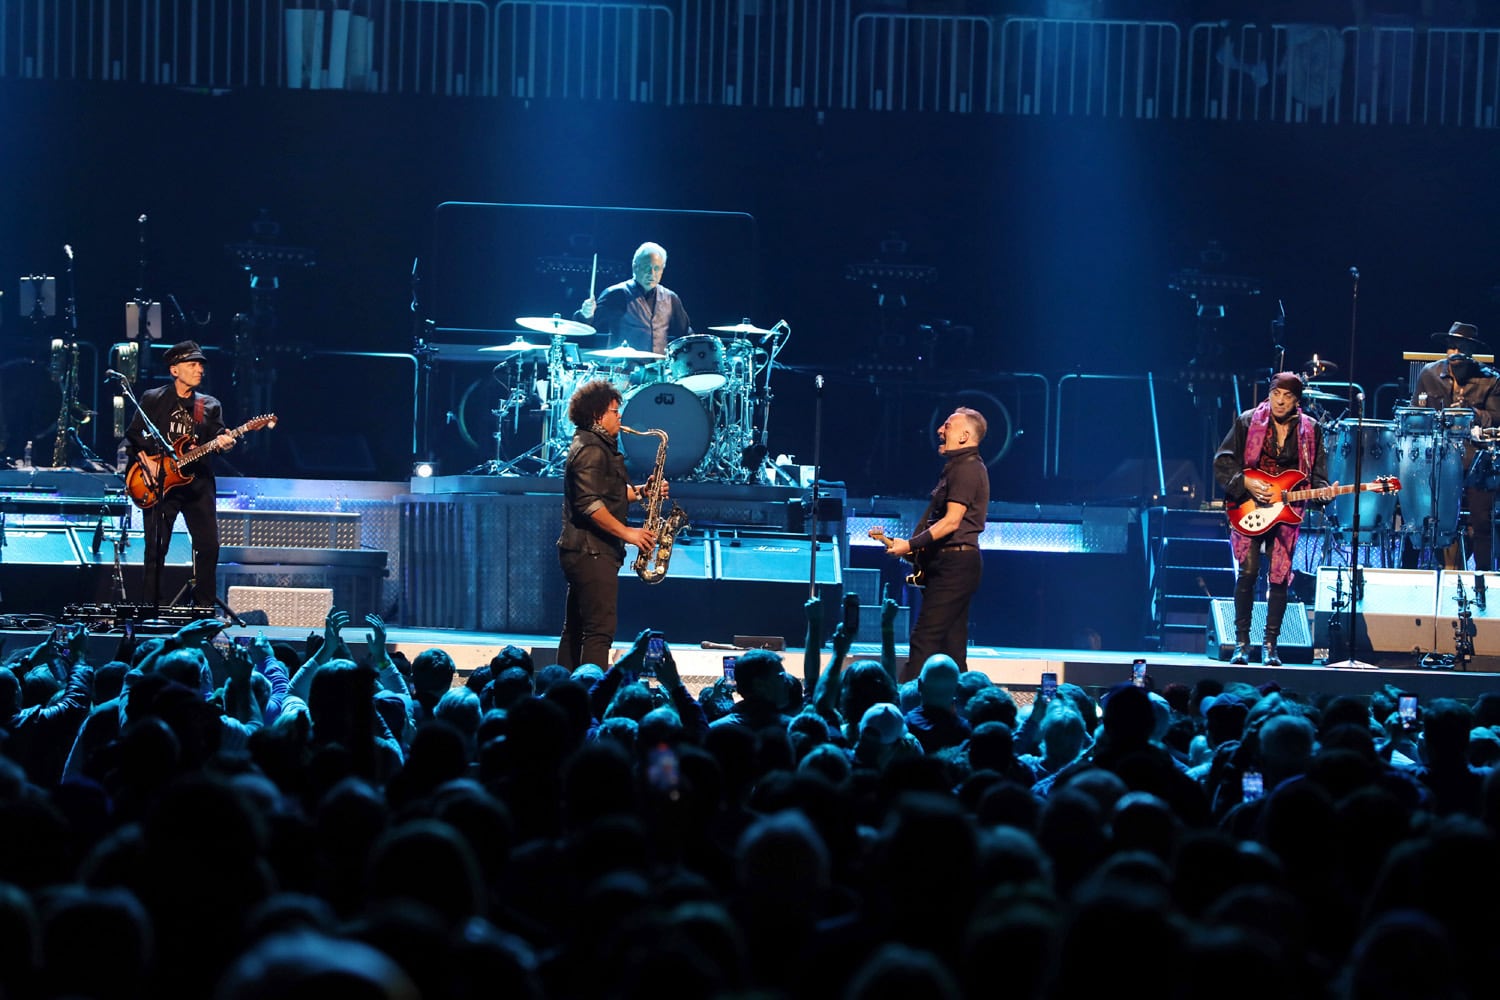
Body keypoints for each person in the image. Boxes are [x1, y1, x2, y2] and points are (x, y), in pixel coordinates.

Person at [1214, 373, 1337, 666]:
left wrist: (1325, 493)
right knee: (1248, 573)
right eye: (1275, 394)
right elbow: (1223, 459)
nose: (1280, 401)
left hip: (1287, 510)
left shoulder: (1311, 429)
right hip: (1249, 505)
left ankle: (1271, 645)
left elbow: (1317, 474)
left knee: (1279, 578)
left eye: (1287, 396)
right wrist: (1245, 481)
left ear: (1297, 400)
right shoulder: (1247, 421)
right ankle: (1242, 643)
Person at [555, 378, 663, 670]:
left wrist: (642, 491)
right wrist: (629, 533)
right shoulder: (591, 449)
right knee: (599, 632)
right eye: (616, 411)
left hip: (585, 550)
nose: (620, 417)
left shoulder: (595, 445)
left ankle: (565, 694)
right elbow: (589, 504)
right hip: (591, 552)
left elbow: (608, 495)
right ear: (597, 415)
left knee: (576, 630)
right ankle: (592, 701)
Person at [876, 407, 990, 681]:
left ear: (964, 436)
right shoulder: (958, 468)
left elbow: (951, 522)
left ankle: (904, 705)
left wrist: (911, 545)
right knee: (952, 647)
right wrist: (907, 546)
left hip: (956, 565)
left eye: (948, 426)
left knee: (924, 639)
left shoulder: (967, 469)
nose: (940, 430)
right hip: (953, 563)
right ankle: (957, 708)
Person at [126, 340, 236, 609]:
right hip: (160, 483)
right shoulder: (154, 398)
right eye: (192, 364)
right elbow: (134, 436)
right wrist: (147, 463)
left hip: (197, 484)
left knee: (208, 547)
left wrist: (225, 442)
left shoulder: (208, 406)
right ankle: (153, 608)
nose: (199, 370)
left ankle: (203, 608)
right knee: (155, 548)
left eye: (201, 365)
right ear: (175, 370)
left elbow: (218, 437)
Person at [1413, 321, 1500, 570]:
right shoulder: (1429, 374)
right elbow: (1417, 416)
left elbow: (1496, 418)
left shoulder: (1490, 379)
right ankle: (1415, 573)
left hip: (1476, 457)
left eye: (1460, 347)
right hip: (1436, 457)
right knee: (1420, 518)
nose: (1454, 352)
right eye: (1451, 346)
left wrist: (1469, 413)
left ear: (1471, 350)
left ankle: (1485, 579)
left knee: (1482, 521)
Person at [574, 241, 691, 355]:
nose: (652, 273)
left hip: (658, 370)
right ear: (635, 267)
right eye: (647, 267)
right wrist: (586, 315)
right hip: (624, 369)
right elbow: (587, 327)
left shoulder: (671, 298)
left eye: (657, 268)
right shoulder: (616, 294)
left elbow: (685, 334)